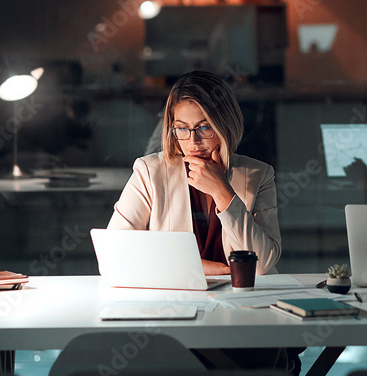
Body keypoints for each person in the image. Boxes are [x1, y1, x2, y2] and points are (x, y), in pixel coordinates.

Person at [108, 70, 281, 274]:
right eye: (182, 129)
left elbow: (261, 264)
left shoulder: (259, 174)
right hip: (175, 297)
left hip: (242, 297)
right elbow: (114, 254)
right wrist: (200, 267)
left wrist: (222, 192)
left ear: (225, 125)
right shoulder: (150, 172)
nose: (193, 141)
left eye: (204, 128)